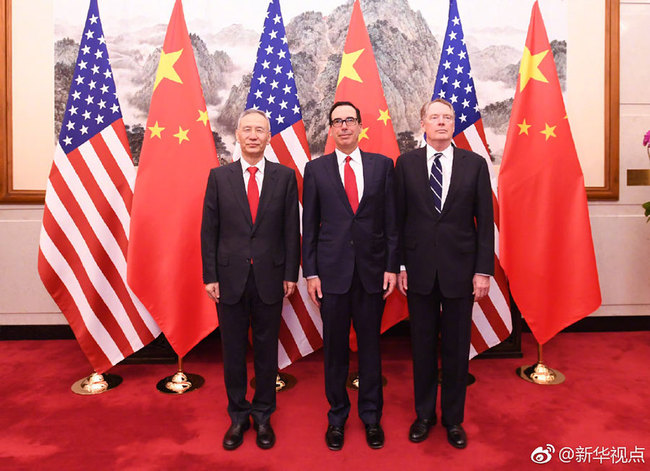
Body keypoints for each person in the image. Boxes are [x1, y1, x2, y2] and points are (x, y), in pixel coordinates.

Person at [395, 98, 494, 450]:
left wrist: (483, 271)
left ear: (454, 124)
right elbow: (399, 221)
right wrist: (402, 265)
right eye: (434, 117)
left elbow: (485, 224)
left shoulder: (475, 164)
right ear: (423, 123)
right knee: (422, 348)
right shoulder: (404, 164)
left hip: (461, 273)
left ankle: (453, 420)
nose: (441, 122)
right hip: (419, 272)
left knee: (455, 349)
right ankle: (424, 416)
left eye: (447, 118)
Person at [200, 109, 300, 451]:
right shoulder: (219, 177)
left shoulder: (285, 177)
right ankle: (238, 415)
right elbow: (209, 230)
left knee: (267, 351)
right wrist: (210, 274)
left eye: (260, 130)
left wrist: (291, 273)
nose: (254, 135)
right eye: (248, 130)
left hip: (271, 277)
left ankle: (262, 415)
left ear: (268, 137)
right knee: (232, 351)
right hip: (229, 278)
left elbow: (291, 230)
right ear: (238, 136)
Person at [302, 101, 399, 451]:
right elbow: (309, 227)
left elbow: (391, 224)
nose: (343, 126)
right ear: (330, 128)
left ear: (360, 126)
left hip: (373, 274)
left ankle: (371, 417)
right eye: (337, 121)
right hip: (331, 276)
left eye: (349, 120)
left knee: (371, 348)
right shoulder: (316, 170)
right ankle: (337, 418)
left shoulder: (382, 167)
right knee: (336, 352)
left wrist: (392, 266)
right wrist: (310, 273)